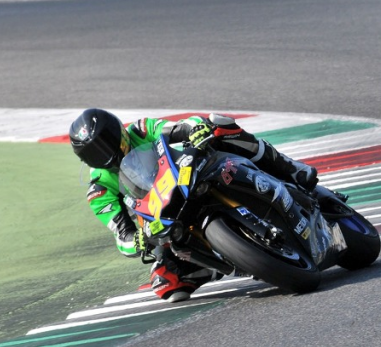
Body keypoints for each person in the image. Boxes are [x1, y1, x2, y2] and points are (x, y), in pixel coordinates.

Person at [68, 109, 319, 302]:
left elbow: (178, 126)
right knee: (166, 282)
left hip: (187, 177)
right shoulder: (99, 190)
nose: (107, 152)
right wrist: (137, 241)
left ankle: (289, 168)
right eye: (96, 153)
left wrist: (196, 128)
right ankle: (230, 260)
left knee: (218, 125)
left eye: (108, 141)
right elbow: (122, 237)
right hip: (165, 218)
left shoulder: (141, 130)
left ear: (118, 130)